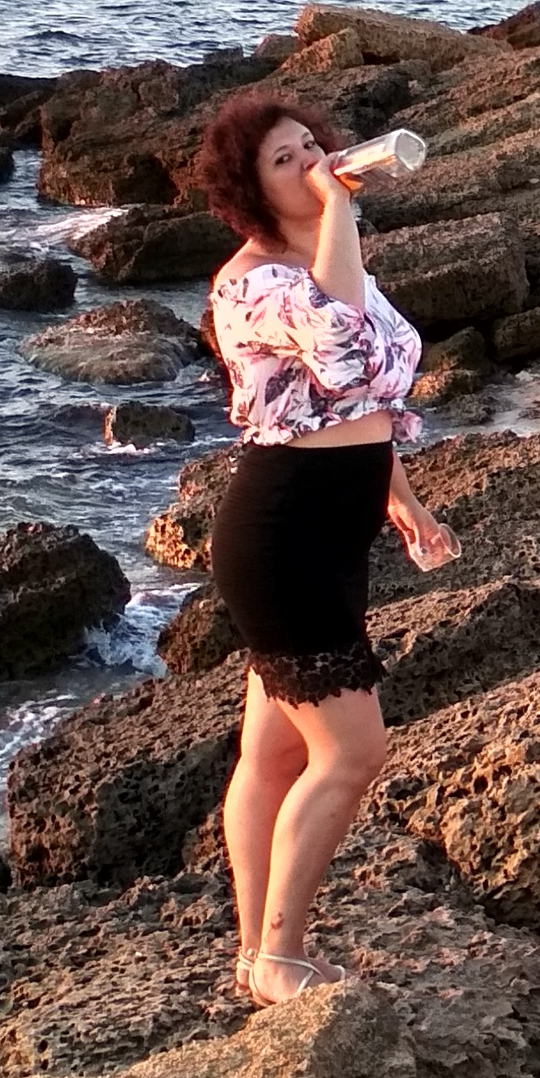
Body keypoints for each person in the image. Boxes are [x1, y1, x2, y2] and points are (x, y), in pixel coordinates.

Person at [193, 91, 457, 1006]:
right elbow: (341, 340)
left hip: (333, 525)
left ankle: (254, 952)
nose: (309, 160)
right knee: (353, 751)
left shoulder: (325, 255)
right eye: (283, 159)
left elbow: (361, 403)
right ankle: (280, 956)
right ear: (250, 192)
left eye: (313, 145)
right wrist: (340, 202)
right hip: (283, 530)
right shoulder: (251, 282)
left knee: (269, 757)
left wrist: (405, 505)